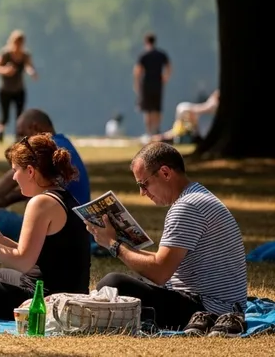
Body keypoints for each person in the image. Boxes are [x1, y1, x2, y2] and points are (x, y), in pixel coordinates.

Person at [91, 142, 247, 335]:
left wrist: (114, 244)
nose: (142, 192)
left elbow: (160, 272)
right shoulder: (195, 197)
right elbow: (164, 262)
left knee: (113, 283)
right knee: (126, 282)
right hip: (218, 304)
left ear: (165, 173)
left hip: (206, 310)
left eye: (143, 184)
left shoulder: (186, 207)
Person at [0, 133, 91, 320]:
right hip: (68, 293)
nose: (14, 178)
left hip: (46, 300)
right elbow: (33, 254)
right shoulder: (62, 196)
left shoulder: (41, 203)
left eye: (15, 170)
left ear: (30, 171)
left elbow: (23, 262)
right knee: (0, 275)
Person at [0, 108, 91, 241]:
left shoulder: (45, 150)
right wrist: (7, 200)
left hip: (59, 232)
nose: (18, 141)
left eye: (21, 135)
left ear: (35, 128)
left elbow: (9, 180)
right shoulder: (63, 144)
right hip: (76, 230)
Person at [0, 30, 37, 142]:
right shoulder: (5, 54)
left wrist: (31, 72)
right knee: (5, 116)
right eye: (16, 42)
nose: (18, 45)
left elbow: (29, 66)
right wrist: (5, 70)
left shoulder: (25, 55)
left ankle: (18, 137)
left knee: (20, 115)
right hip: (5, 89)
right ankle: (1, 130)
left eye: (21, 43)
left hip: (19, 89)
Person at [134, 33, 171, 138]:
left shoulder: (144, 55)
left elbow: (137, 71)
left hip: (146, 85)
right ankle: (157, 130)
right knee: (157, 108)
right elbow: (169, 66)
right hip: (158, 84)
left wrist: (137, 84)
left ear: (146, 42)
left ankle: (149, 132)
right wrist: (165, 78)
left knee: (148, 109)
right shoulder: (161, 54)